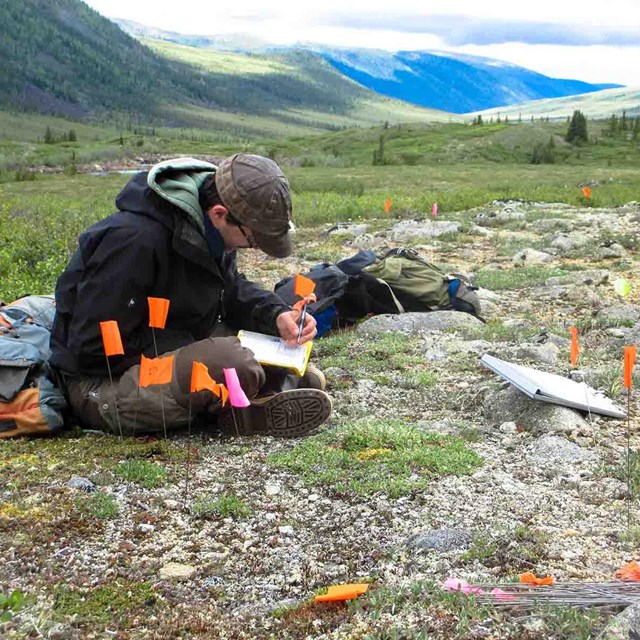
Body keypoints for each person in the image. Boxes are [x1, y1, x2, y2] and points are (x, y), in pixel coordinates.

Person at [49, 154, 332, 437]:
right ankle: (248, 405)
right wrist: (191, 352)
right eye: (253, 239)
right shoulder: (132, 241)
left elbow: (230, 288)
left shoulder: (208, 231)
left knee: (250, 342)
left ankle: (262, 386)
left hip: (166, 346)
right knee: (230, 360)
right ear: (220, 214)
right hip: (101, 383)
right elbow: (92, 347)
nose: (253, 248)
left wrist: (277, 314)